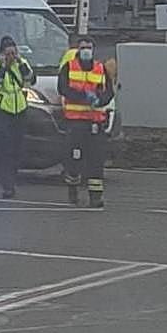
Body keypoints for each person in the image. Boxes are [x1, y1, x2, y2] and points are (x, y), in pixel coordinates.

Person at [58, 36, 114, 208]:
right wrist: (83, 97)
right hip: (75, 122)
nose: (86, 51)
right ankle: (73, 190)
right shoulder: (69, 67)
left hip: (95, 122)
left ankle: (95, 197)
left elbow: (109, 92)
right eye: (83, 47)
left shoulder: (100, 68)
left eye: (89, 47)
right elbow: (63, 88)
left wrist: (99, 99)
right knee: (73, 159)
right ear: (77, 50)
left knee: (96, 160)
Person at [0, 35, 35, 199]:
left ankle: (11, 178)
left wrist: (19, 63)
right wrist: (4, 66)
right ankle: (7, 184)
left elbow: (30, 79)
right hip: (3, 111)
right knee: (5, 149)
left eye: (14, 53)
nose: (12, 56)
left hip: (19, 110)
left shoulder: (21, 64)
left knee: (17, 149)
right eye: (8, 53)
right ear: (2, 53)